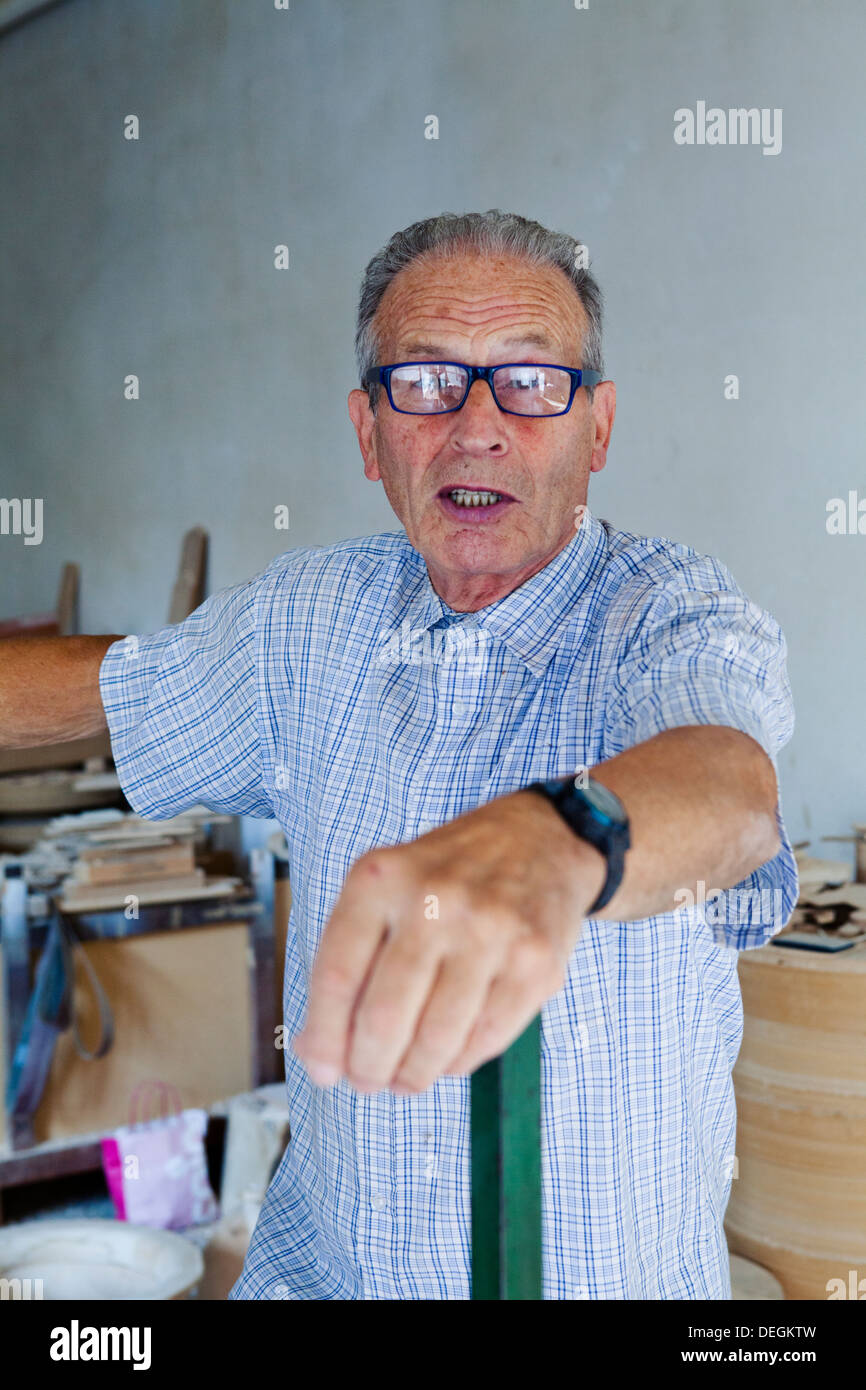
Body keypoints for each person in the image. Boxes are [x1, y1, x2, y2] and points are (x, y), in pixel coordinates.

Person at [1, 211, 796, 1300]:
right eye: (423, 383)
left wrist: (564, 837)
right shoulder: (311, 618)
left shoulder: (666, 614)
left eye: (528, 381)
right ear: (368, 434)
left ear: (596, 430)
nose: (476, 427)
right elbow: (106, 688)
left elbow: (729, 785)